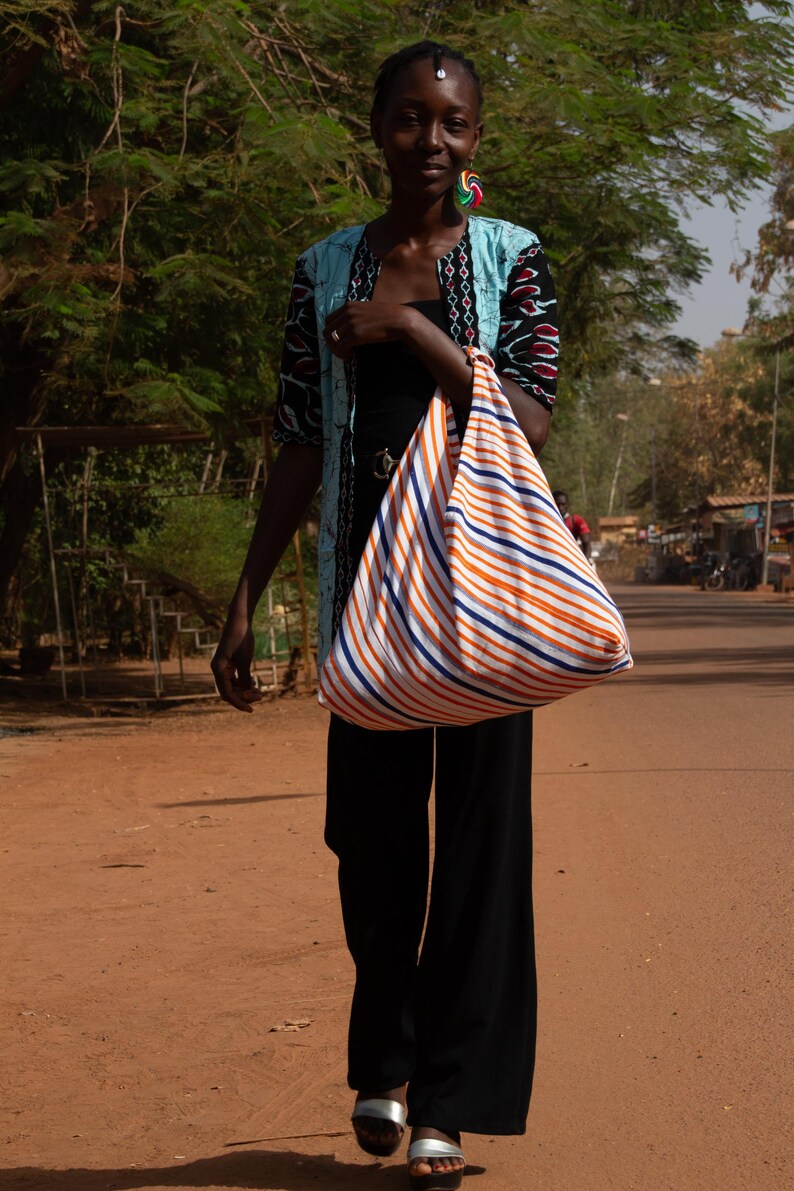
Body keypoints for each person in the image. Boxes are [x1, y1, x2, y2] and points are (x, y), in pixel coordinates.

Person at [212, 40, 558, 1191]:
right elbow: (301, 438)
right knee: (369, 842)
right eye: (409, 119)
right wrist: (246, 593)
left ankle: (445, 1102)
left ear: (476, 139)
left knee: (473, 845)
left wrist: (415, 336)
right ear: (376, 128)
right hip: (363, 600)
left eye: (451, 123)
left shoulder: (512, 259)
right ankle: (383, 1057)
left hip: (480, 601)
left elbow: (533, 417)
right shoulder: (321, 272)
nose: (430, 141)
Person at [553, 489, 592, 559]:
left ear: (568, 505)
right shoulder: (548, 521)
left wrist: (585, 563)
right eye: (557, 504)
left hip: (570, 559)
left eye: (563, 504)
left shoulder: (576, 521)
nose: (560, 507)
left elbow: (586, 543)